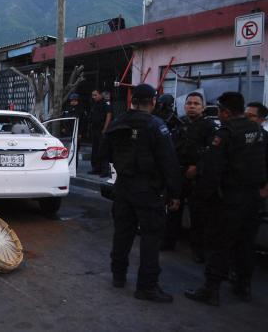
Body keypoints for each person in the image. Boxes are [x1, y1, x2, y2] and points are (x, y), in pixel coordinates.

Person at [185, 92, 266, 306]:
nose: (219, 114)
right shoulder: (257, 130)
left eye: (220, 110)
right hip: (253, 198)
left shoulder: (225, 134)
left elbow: (212, 172)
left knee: (219, 245)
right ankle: (243, 286)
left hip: (230, 199)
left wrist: (202, 197)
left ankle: (211, 290)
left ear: (226, 112)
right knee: (246, 244)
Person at [103, 83, 180, 303]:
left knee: (122, 233)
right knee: (150, 238)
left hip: (123, 188)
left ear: (132, 101)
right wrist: (175, 193)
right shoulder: (157, 126)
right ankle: (146, 286)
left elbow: (105, 153)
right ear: (153, 102)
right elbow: (169, 162)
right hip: (148, 191)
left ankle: (118, 275)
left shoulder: (118, 122)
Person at [161, 92, 217, 263]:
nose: (192, 106)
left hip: (196, 177)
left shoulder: (208, 126)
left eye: (196, 103)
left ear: (203, 107)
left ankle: (198, 250)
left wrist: (197, 167)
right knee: (173, 210)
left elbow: (213, 152)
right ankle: (169, 242)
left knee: (198, 215)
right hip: (178, 174)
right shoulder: (179, 123)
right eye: (189, 103)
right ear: (184, 106)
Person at [89, 89, 112, 177]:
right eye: (92, 95)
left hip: (102, 130)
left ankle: (104, 171)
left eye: (95, 95)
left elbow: (109, 115)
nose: (93, 97)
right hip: (95, 129)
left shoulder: (105, 103)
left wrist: (105, 128)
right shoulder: (94, 104)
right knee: (95, 150)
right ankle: (96, 169)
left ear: (100, 95)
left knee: (103, 150)